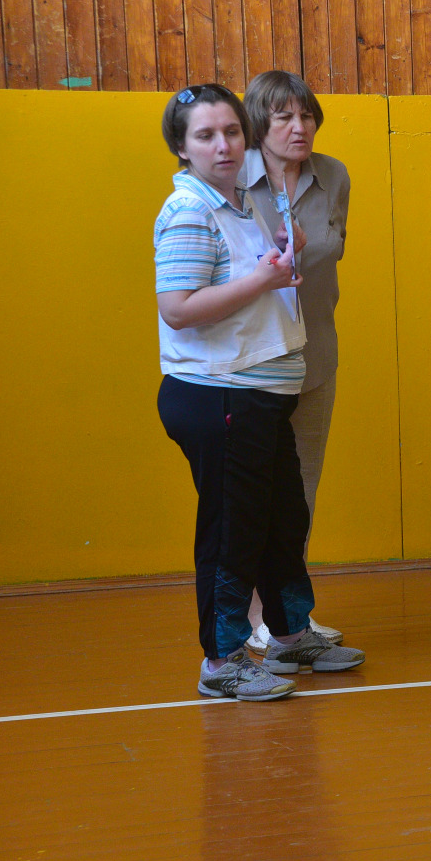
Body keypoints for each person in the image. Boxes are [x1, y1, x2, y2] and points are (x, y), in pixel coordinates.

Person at [153, 84, 364, 700]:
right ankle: (222, 662)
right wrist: (263, 278)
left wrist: (275, 266)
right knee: (232, 534)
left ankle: (291, 634)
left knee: (281, 520)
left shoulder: (238, 205)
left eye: (230, 133)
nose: (223, 145)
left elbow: (262, 283)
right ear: (182, 147)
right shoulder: (191, 211)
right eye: (206, 135)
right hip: (220, 395)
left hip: (262, 393)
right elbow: (179, 309)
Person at [239, 70, 354, 653]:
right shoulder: (229, 178)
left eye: (306, 115)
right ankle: (256, 620)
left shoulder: (333, 177)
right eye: (284, 116)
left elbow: (331, 256)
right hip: (252, 366)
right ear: (258, 123)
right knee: (256, 495)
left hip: (315, 358)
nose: (299, 126)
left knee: (301, 495)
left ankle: (289, 618)